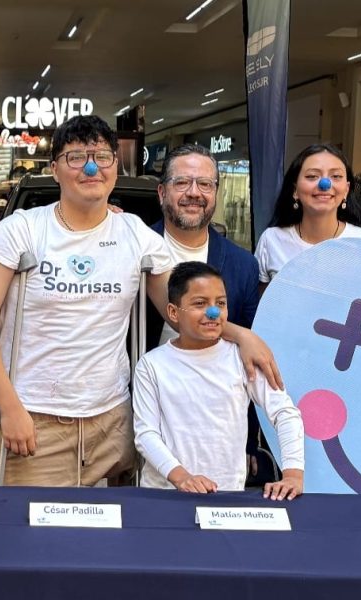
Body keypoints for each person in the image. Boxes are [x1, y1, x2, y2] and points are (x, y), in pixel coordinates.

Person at [0, 115, 280, 487]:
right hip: (37, 421)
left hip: (113, 423)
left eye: (102, 156)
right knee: (39, 524)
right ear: (55, 169)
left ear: (115, 165)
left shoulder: (135, 234)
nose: (91, 168)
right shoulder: (21, 230)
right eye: (76, 157)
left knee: (120, 524)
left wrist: (241, 335)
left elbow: (180, 312)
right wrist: (10, 407)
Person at [147, 144, 272, 484]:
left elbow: (248, 361)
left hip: (213, 425)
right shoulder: (135, 245)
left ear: (216, 192)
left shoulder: (243, 265)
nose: (194, 193)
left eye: (205, 184)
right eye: (182, 182)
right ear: (162, 192)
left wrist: (248, 440)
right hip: (146, 408)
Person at [133, 261, 304, 499]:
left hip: (225, 494)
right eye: (200, 303)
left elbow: (285, 413)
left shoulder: (242, 358)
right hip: (165, 495)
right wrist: (182, 477)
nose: (213, 312)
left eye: (220, 303)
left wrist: (293, 474)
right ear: (173, 312)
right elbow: (146, 433)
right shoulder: (151, 365)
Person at [256, 143, 361, 291]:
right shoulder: (271, 240)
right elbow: (264, 303)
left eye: (336, 176)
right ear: (295, 190)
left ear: (346, 190)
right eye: (312, 176)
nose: (325, 184)